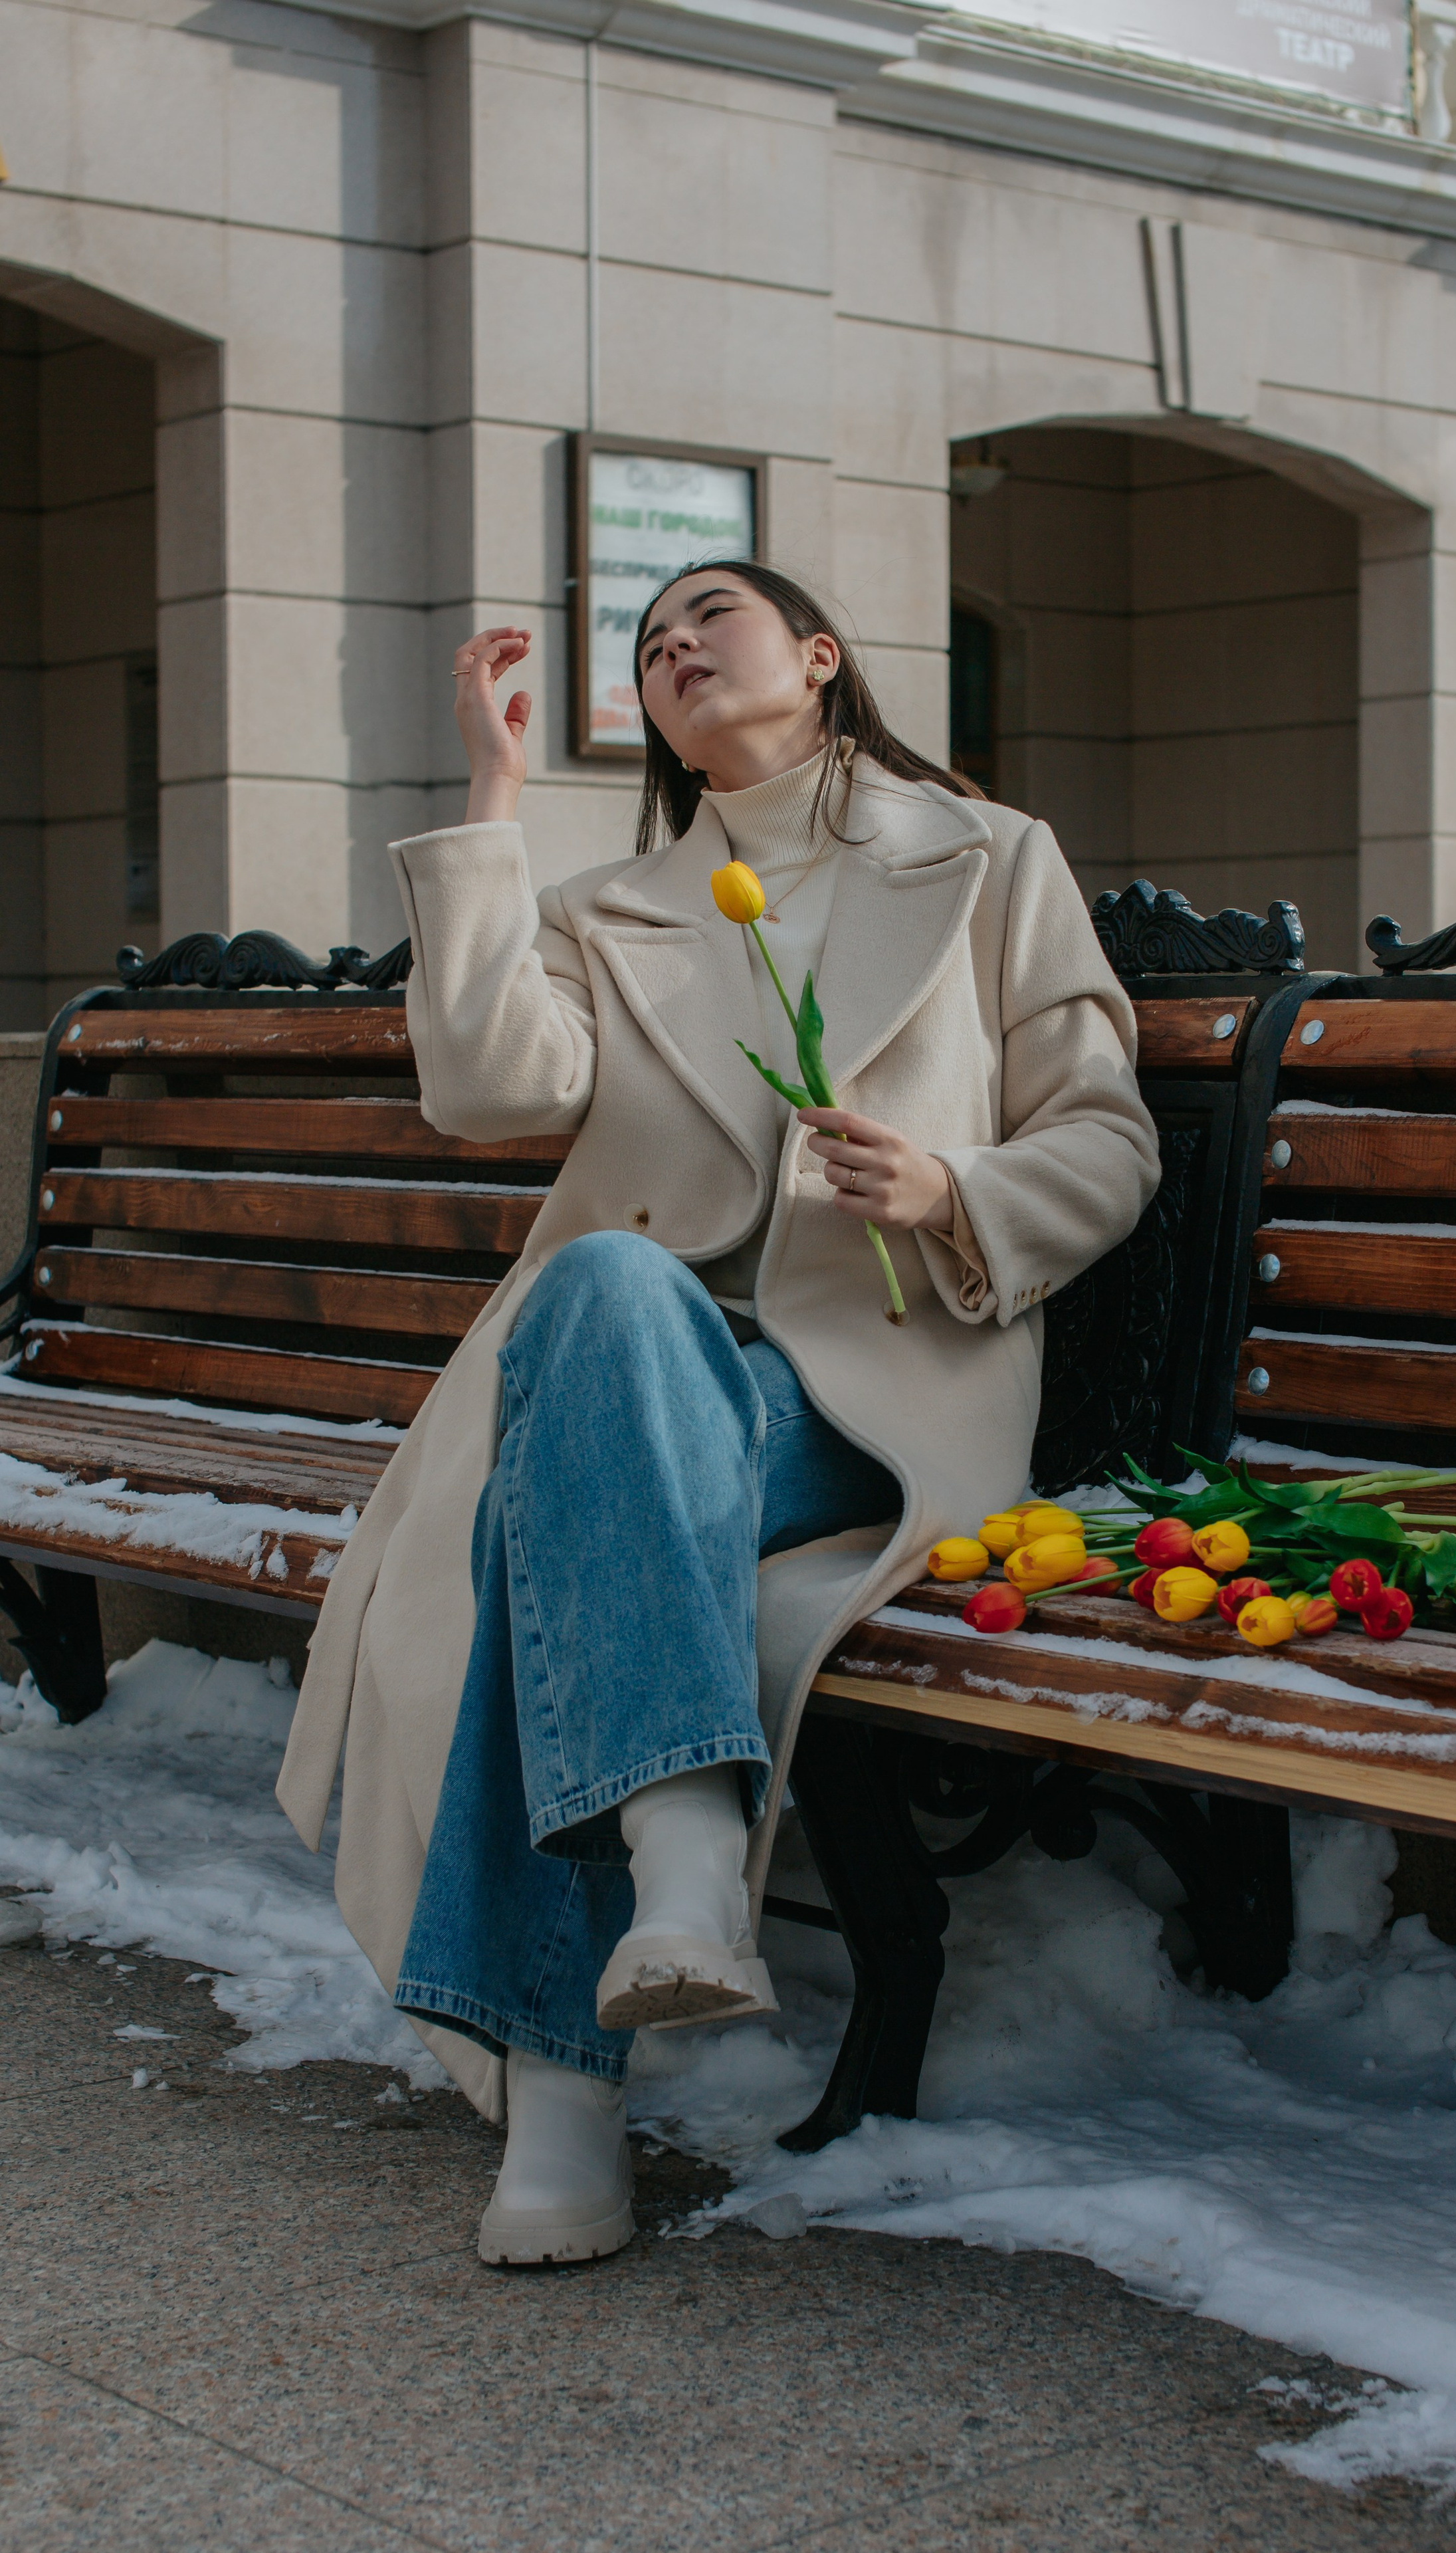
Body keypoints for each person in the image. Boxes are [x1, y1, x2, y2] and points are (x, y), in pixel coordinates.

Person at [278, 561, 1161, 2268]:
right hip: (638, 1376)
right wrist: (493, 801)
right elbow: (483, 1089)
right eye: (649, 644)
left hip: (874, 1387)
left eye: (711, 619)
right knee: (605, 1299)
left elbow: (1104, 1133)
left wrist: (950, 1184)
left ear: (821, 658)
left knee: (557, 1522)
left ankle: (562, 2101)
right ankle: (680, 1858)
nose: (675, 649)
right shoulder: (611, 908)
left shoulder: (989, 857)